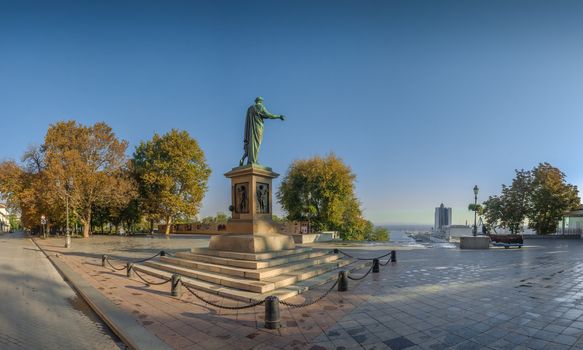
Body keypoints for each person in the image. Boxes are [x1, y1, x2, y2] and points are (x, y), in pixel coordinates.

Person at [239, 97, 285, 166]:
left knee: (252, 143)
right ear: (261, 101)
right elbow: (269, 115)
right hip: (258, 128)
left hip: (250, 128)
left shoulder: (250, 108)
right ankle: (253, 160)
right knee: (256, 144)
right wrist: (279, 116)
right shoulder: (260, 107)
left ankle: (248, 159)